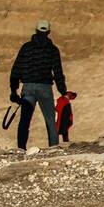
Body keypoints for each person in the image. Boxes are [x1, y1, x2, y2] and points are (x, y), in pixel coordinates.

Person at [9, 20, 68, 152]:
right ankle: (53, 147)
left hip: (28, 87)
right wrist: (63, 91)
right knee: (50, 119)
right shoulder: (53, 50)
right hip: (45, 88)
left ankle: (21, 148)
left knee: (25, 120)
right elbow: (58, 72)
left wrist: (13, 90)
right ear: (48, 32)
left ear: (35, 31)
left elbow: (16, 69)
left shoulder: (26, 47)